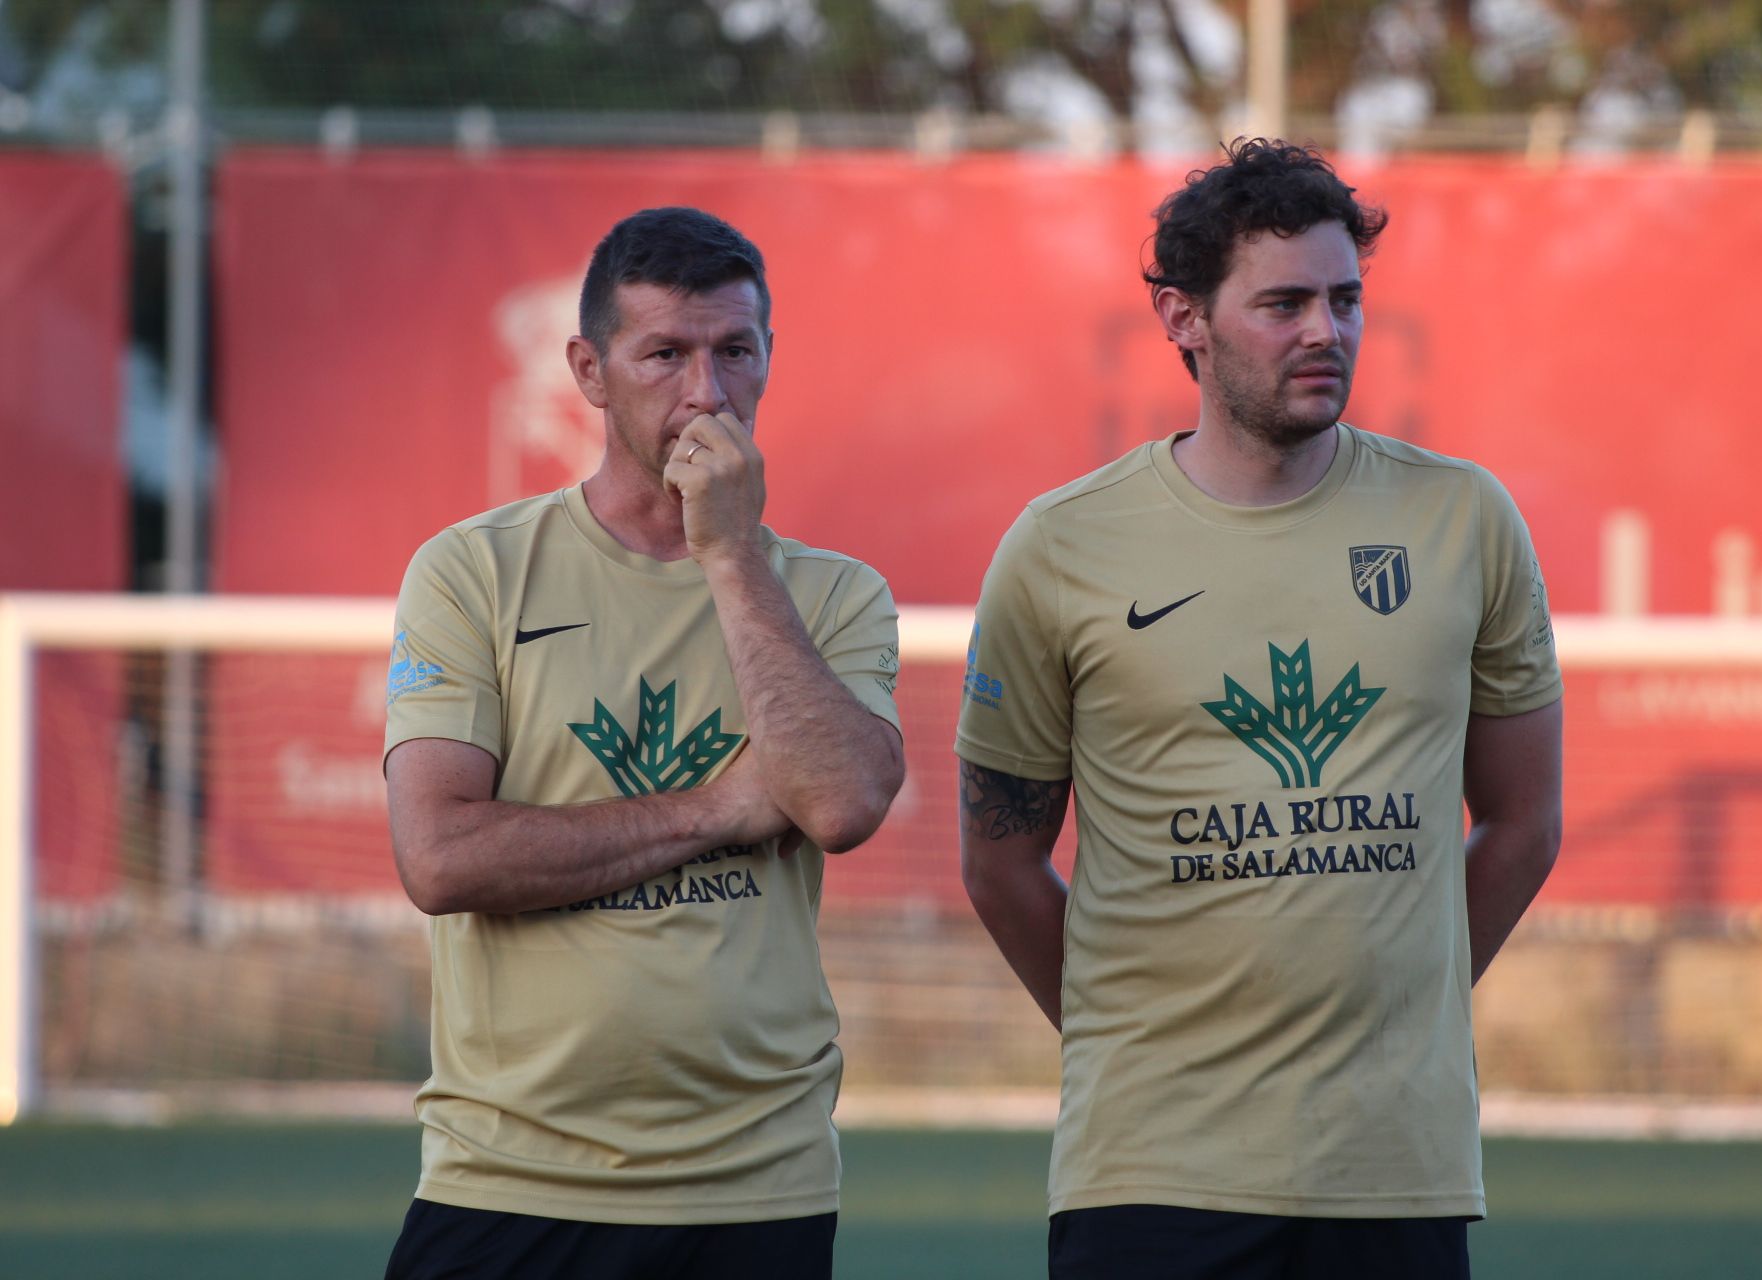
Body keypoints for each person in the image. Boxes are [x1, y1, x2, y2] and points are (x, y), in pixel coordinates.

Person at [956, 140, 1563, 1279]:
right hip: (1150, 1171)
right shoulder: (1060, 546)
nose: (1326, 331)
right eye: (1284, 303)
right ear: (1184, 319)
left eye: (1346, 299)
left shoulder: (1464, 519)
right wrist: (1129, 1039)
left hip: (1395, 1169)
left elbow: (1525, 821)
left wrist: (1400, 1005)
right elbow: (1000, 861)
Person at [382, 206, 905, 1280]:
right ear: (589, 369)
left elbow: (843, 802)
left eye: (735, 352)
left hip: (757, 1183)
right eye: (665, 353)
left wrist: (729, 552)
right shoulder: (472, 570)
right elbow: (440, 859)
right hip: (508, 1174)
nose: (706, 393)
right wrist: (721, 805)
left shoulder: (837, 593)